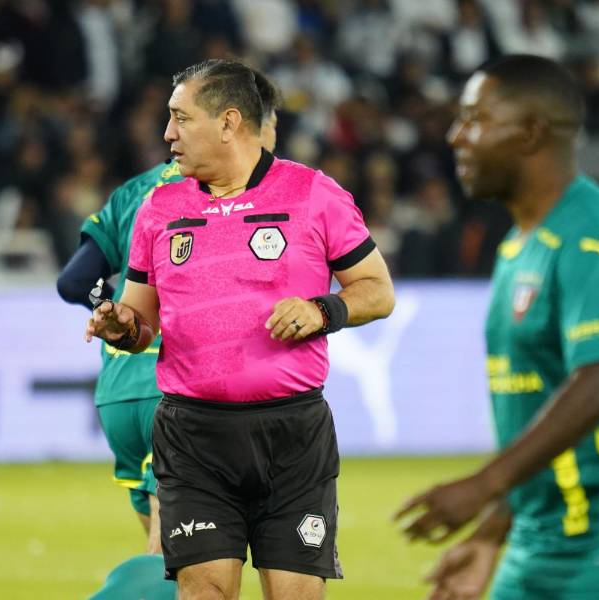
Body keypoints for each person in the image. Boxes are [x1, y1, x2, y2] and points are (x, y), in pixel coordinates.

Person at [395, 55, 599, 600]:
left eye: (474, 120)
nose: (456, 137)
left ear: (530, 133)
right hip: (541, 545)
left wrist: (483, 485)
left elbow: (597, 388)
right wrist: (491, 534)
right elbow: (544, 410)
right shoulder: (517, 248)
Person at [84, 58, 395, 600]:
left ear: (228, 122)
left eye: (181, 118)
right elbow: (140, 321)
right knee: (205, 593)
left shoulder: (313, 194)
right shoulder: (160, 207)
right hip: (193, 436)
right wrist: (119, 326)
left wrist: (323, 311)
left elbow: (377, 289)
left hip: (292, 436)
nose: (168, 133)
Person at [58, 69, 283, 558]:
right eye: (271, 126)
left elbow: (74, 282)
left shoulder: (132, 193)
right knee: (179, 563)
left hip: (118, 391)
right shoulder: (227, 194)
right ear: (241, 123)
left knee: (176, 563)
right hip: (179, 389)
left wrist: (118, 311)